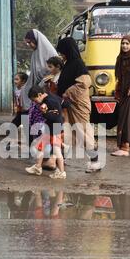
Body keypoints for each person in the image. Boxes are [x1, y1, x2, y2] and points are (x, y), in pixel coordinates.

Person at [56, 37, 102, 173]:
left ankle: (95, 162)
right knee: (67, 131)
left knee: (83, 132)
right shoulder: (69, 64)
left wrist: (66, 93)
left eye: (62, 52)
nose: (61, 55)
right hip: (69, 105)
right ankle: (61, 159)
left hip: (78, 105)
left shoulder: (78, 64)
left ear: (68, 51)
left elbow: (83, 83)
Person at [20, 30, 58, 145]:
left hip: (45, 92)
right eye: (27, 43)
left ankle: (44, 146)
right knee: (30, 116)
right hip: (36, 89)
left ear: (37, 40)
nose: (29, 45)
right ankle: (33, 143)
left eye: (30, 42)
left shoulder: (51, 53)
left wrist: (42, 84)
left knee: (41, 118)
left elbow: (53, 74)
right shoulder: (35, 54)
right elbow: (33, 74)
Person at [25, 86, 66, 180]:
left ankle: (62, 172)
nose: (35, 102)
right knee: (41, 147)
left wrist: (44, 112)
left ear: (40, 95)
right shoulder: (51, 98)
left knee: (57, 151)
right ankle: (38, 167)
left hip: (55, 128)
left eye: (35, 100)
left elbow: (55, 117)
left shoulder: (50, 101)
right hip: (50, 127)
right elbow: (64, 103)